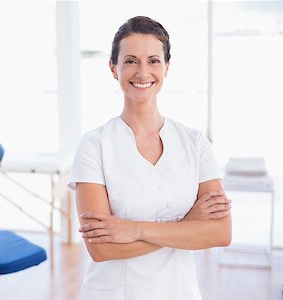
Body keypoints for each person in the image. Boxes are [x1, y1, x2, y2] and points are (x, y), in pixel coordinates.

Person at [68, 16, 232, 300]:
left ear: (167, 67)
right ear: (113, 68)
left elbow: (220, 233)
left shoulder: (194, 143)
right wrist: (187, 224)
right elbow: (101, 249)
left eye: (153, 61)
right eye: (130, 61)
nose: (142, 72)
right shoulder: (94, 145)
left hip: (180, 291)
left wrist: (131, 230)